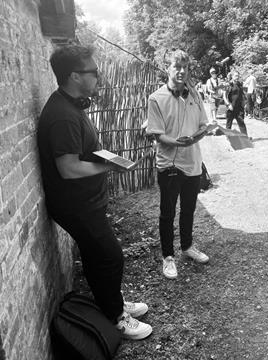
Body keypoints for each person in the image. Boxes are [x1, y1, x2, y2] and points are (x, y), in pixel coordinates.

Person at [37, 45, 152, 340]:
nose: (99, 76)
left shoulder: (71, 104)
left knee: (96, 254)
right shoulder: (62, 115)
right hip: (77, 205)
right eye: (94, 72)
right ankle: (116, 316)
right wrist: (110, 168)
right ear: (75, 76)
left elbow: (81, 151)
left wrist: (106, 158)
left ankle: (110, 301)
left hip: (85, 202)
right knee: (110, 256)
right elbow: (69, 168)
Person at [146, 50, 210, 280]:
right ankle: (168, 257)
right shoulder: (156, 98)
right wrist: (178, 143)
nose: (181, 71)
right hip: (169, 165)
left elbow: (203, 125)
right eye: (176, 66)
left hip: (192, 162)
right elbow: (156, 134)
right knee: (167, 212)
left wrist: (199, 136)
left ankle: (187, 246)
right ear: (168, 68)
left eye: (185, 67)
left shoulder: (194, 95)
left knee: (189, 209)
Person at [223, 70, 248, 136]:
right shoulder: (228, 85)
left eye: (238, 76)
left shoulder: (239, 84)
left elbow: (242, 94)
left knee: (241, 123)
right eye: (236, 76)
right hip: (231, 107)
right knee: (229, 123)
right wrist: (228, 105)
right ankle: (228, 137)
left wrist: (244, 103)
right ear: (232, 76)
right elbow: (224, 96)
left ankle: (245, 137)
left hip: (239, 107)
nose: (237, 77)